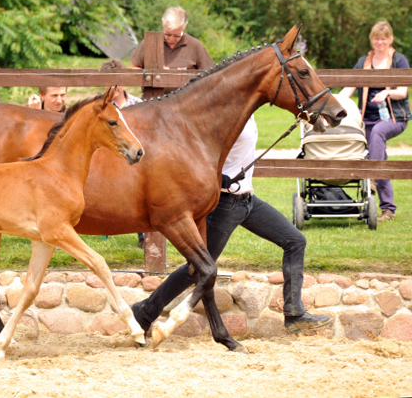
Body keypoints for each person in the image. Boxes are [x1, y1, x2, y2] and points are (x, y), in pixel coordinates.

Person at [131, 115, 333, 335]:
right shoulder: (227, 118)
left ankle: (294, 312)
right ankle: (146, 312)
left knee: (295, 241)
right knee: (198, 267)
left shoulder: (249, 113)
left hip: (248, 201)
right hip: (226, 204)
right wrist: (219, 177)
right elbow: (199, 154)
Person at [340, 20, 411, 222]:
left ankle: (371, 176)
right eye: (376, 38)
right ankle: (388, 209)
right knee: (381, 158)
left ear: (390, 39)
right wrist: (334, 101)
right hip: (367, 119)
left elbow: (403, 91)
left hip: (394, 118)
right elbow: (349, 88)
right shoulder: (364, 61)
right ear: (372, 40)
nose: (380, 42)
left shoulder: (399, 60)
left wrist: (386, 93)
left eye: (384, 38)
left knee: (379, 133)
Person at [100, 59, 145, 247]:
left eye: (117, 81)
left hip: (131, 157)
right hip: (105, 157)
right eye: (109, 81)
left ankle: (142, 234)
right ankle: (104, 229)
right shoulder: (98, 106)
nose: (114, 86)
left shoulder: (138, 105)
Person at [130, 6, 214, 93]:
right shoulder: (150, 43)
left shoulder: (195, 46)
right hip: (153, 99)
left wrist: (185, 76)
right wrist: (155, 73)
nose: (172, 39)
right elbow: (133, 69)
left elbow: (210, 75)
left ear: (184, 27)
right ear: (163, 25)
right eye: (168, 34)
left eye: (177, 35)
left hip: (185, 100)